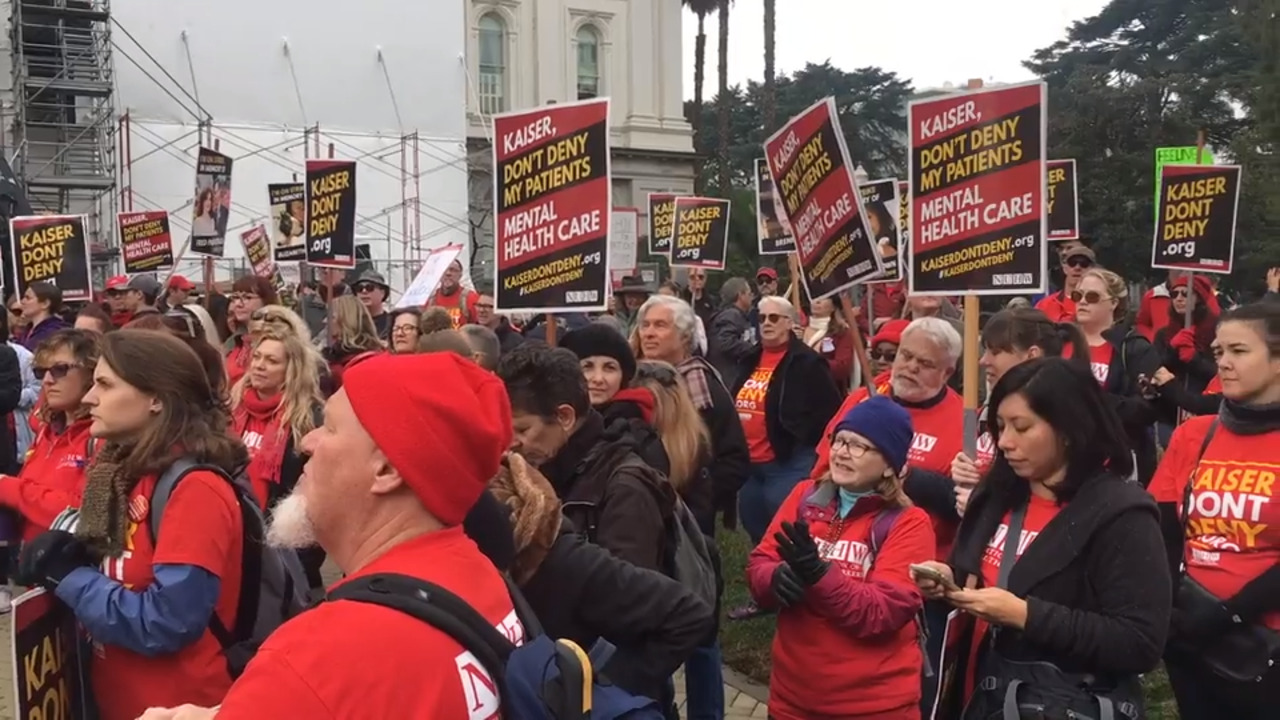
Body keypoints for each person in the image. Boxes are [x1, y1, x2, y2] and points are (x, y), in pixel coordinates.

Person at [142, 352, 521, 719]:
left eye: (330, 427)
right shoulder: (484, 577)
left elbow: (337, 686)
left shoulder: (316, 657)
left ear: (387, 470)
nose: (307, 442)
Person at [913, 358, 1170, 719]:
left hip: (1058, 703)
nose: (1005, 442)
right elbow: (973, 575)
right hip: (977, 695)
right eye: (1000, 427)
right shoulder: (994, 494)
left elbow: (1140, 642)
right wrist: (946, 581)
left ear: (1068, 429)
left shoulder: (1121, 514)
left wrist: (1025, 614)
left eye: (1021, 427)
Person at [18, 330, 249, 720]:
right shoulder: (121, 474)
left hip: (178, 708)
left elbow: (168, 623)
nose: (90, 397)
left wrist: (70, 577)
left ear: (157, 398)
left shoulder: (194, 490)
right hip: (117, 701)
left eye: (105, 385)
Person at [748, 396, 933, 719]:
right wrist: (774, 579)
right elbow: (760, 563)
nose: (843, 452)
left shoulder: (909, 523)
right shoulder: (805, 496)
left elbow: (881, 612)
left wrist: (819, 575)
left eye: (859, 446)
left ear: (890, 464)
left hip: (871, 707)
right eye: (840, 440)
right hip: (791, 699)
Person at [490, 450, 713, 709]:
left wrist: (603, 690)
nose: (518, 439)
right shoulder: (520, 556)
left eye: (523, 427)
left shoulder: (566, 561)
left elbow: (688, 613)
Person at [1149, 302, 1280, 718]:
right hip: (1190, 636)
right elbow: (1163, 529)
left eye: (1239, 351)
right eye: (1219, 351)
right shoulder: (1194, 434)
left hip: (1265, 642)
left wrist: (1229, 614)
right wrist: (1171, 611)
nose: (1223, 362)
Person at [497, 344, 674, 572]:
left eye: (522, 430)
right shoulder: (535, 467)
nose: (511, 443)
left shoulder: (626, 487)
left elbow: (625, 595)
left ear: (565, 416)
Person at [951, 309, 1089, 513]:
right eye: (1001, 426)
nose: (983, 361)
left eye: (995, 352)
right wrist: (966, 475)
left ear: (1032, 355)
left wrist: (984, 506)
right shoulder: (986, 412)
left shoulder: (1069, 416)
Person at [1071, 267, 1160, 484]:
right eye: (1077, 295)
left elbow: (1147, 409)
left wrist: (1092, 399)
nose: (1082, 301)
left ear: (1114, 302)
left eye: (1092, 297)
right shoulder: (1060, 340)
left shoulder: (1133, 348)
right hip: (1065, 457)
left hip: (1114, 462)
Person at [229, 327, 324, 512]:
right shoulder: (232, 406)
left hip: (273, 520)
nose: (259, 365)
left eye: (271, 361)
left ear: (291, 370)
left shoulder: (309, 419)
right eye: (256, 357)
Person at [224, 276, 279, 386]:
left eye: (247, 298)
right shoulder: (235, 341)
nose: (238, 304)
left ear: (265, 300)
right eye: (235, 298)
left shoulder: (277, 340)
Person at [323, 296, 385, 391]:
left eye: (332, 317)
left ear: (347, 320)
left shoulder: (365, 360)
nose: (325, 321)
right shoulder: (331, 356)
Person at [708, 278, 757, 390]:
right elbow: (725, 342)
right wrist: (754, 349)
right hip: (730, 380)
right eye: (749, 293)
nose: (751, 297)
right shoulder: (731, 315)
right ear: (740, 295)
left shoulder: (737, 315)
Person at [804, 295, 855, 394]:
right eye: (814, 297)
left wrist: (813, 364)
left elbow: (842, 368)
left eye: (823, 297)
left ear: (833, 306)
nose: (817, 301)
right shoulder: (799, 329)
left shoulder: (842, 332)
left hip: (829, 391)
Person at [16, 281, 70, 351]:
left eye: (28, 298)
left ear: (45, 304)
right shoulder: (27, 330)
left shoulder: (55, 333)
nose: (22, 301)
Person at [427, 258, 480, 328]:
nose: (448, 273)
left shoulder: (471, 298)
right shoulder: (429, 300)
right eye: (444, 269)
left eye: (453, 270)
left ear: (460, 275)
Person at [352, 270, 392, 338]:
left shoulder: (392, 323)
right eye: (359, 288)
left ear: (382, 293)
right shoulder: (350, 323)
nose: (364, 291)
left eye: (369, 287)